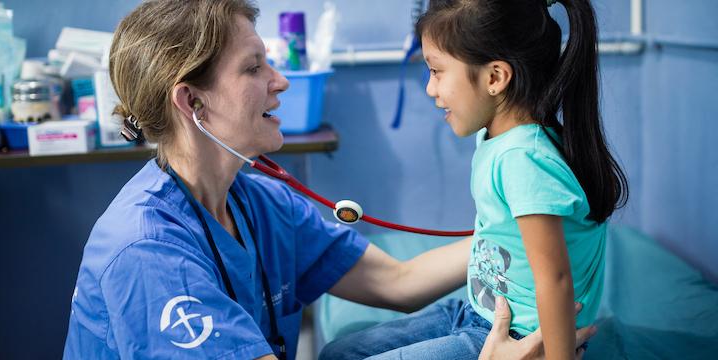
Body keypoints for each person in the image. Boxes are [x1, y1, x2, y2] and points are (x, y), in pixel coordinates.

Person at [63, 0, 596, 359]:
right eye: (254, 69)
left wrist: (526, 236)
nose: (281, 81)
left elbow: (397, 283)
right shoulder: (147, 255)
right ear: (192, 101)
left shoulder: (257, 203)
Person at [319, 0, 628, 359]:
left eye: (437, 72)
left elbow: (555, 279)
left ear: (495, 78)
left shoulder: (523, 159)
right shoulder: (498, 138)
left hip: (514, 336)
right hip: (476, 312)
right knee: (338, 353)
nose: (430, 89)